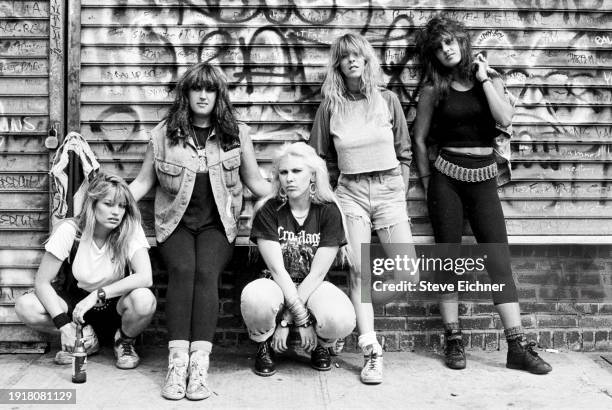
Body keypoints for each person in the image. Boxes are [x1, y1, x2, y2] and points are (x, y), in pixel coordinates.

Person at [412, 16, 552, 374]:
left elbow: (505, 118)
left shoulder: (489, 80)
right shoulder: (432, 91)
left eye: (451, 41)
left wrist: (485, 78)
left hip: (484, 179)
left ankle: (516, 346)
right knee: (449, 263)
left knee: (498, 261)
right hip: (446, 180)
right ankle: (453, 339)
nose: (447, 48)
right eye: (439, 45)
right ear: (433, 53)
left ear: (463, 41)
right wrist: (428, 180)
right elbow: (420, 138)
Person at [129, 62, 270, 400]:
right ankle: (177, 365)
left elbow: (256, 183)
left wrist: (304, 198)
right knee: (182, 270)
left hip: (218, 226)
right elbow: (142, 184)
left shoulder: (238, 134)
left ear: (219, 95)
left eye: (210, 89)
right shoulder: (163, 134)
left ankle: (199, 367)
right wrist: (103, 204)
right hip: (175, 225)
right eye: (197, 89)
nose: (203, 95)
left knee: (206, 272)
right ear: (186, 94)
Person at [309, 33, 418, 385]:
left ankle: (352, 310)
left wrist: (398, 188)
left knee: (407, 274)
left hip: (388, 190)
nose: (353, 61)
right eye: (345, 57)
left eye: (358, 55)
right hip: (351, 192)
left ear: (368, 60)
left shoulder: (388, 99)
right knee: (359, 273)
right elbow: (317, 158)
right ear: (338, 64)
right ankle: (371, 349)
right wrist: (327, 197)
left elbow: (404, 151)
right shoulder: (330, 107)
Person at [15, 173, 156, 370]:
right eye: (108, 204)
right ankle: (83, 339)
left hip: (116, 306)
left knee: (144, 299)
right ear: (93, 203)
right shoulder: (70, 231)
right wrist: (64, 326)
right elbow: (42, 282)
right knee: (25, 305)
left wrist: (97, 295)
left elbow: (145, 277)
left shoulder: (130, 229)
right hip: (76, 307)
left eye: (122, 206)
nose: (116, 212)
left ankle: (123, 342)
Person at [240, 142, 356, 377]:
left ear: (313, 175)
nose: (289, 179)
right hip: (275, 283)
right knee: (256, 298)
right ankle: (264, 343)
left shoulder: (328, 211)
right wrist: (300, 321)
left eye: (297, 171)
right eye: (283, 172)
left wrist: (287, 321)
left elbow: (317, 274)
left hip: (312, 284)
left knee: (341, 318)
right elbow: (277, 269)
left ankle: (322, 345)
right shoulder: (268, 210)